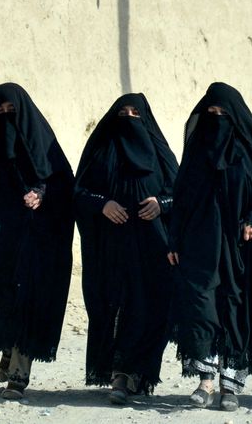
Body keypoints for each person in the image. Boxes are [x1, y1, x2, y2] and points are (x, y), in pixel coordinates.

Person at [168, 82, 252, 412]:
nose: (216, 119)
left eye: (223, 113)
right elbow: (181, 200)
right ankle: (205, 380)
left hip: (240, 247)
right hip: (198, 242)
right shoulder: (196, 153)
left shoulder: (249, 155)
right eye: (211, 113)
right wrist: (174, 239)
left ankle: (230, 385)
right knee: (201, 304)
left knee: (235, 307)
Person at [0, 83, 75, 399]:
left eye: (11, 112)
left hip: (36, 238)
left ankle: (18, 375)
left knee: (27, 300)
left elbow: (63, 184)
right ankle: (7, 348)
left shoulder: (44, 144)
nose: (4, 118)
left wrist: (42, 195)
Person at [74, 93, 179, 404]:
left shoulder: (160, 153)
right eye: (123, 112)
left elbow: (181, 193)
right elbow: (79, 193)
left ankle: (134, 372)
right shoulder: (101, 150)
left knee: (149, 307)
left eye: (136, 112)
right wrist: (102, 204)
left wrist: (162, 204)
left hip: (152, 248)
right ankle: (118, 372)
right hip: (111, 247)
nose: (130, 117)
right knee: (114, 305)